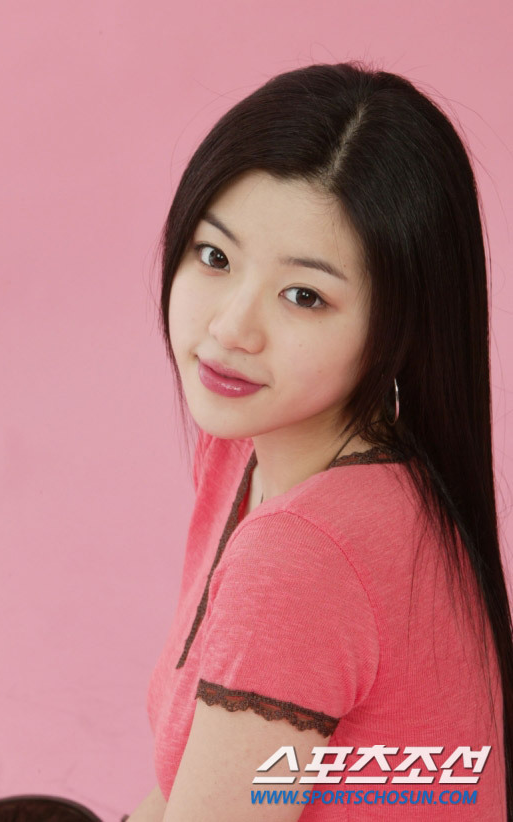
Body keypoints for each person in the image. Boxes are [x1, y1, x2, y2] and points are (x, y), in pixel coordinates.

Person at [128, 62, 512, 820]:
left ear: (398, 328)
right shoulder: (247, 447)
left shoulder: (307, 552)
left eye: (304, 295)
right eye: (215, 256)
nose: (232, 328)